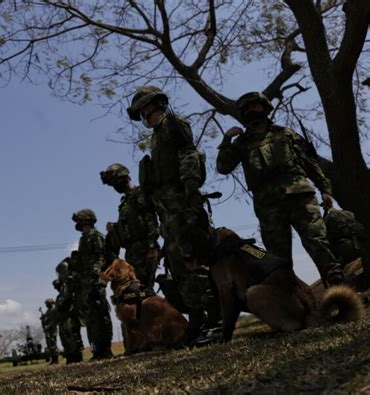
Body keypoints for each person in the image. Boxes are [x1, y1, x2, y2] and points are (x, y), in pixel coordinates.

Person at [216, 91, 344, 286]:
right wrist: (226, 140)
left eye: (255, 106)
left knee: (318, 241)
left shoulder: (285, 133)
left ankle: (339, 290)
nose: (252, 110)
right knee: (278, 259)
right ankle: (296, 304)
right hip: (269, 207)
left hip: (300, 197)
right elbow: (223, 168)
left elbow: (309, 161)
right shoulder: (241, 143)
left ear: (265, 108)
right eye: (248, 108)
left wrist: (325, 189)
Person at [127, 86, 220, 343]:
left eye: (142, 110)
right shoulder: (157, 135)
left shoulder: (172, 124)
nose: (142, 115)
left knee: (195, 262)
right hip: (167, 213)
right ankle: (198, 322)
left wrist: (191, 194)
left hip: (182, 207)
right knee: (180, 267)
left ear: (150, 105)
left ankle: (215, 320)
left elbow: (189, 154)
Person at [100, 163, 160, 291]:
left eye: (115, 182)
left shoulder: (139, 194)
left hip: (144, 250)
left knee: (144, 291)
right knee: (133, 292)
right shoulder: (125, 203)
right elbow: (131, 225)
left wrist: (152, 247)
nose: (115, 186)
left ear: (124, 178)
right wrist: (115, 227)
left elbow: (150, 220)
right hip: (131, 253)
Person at [71, 209, 113, 360]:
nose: (78, 224)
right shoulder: (84, 239)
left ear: (87, 220)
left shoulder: (96, 236)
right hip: (85, 284)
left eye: (80, 221)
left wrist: (99, 280)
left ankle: (106, 349)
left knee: (101, 315)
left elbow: (101, 258)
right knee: (91, 319)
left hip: (96, 282)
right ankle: (97, 351)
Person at [53, 256, 84, 364]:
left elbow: (71, 297)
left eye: (60, 273)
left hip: (70, 315)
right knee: (65, 337)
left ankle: (77, 357)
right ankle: (70, 357)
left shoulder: (72, 282)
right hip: (63, 316)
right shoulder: (64, 285)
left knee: (73, 336)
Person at [40, 298, 59, 365]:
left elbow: (54, 319)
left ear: (51, 303)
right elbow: (46, 318)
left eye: (47, 304)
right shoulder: (48, 311)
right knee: (49, 345)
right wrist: (43, 318)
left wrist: (48, 326)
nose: (46, 305)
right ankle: (53, 360)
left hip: (52, 329)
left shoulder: (54, 309)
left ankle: (56, 360)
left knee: (53, 344)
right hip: (48, 330)